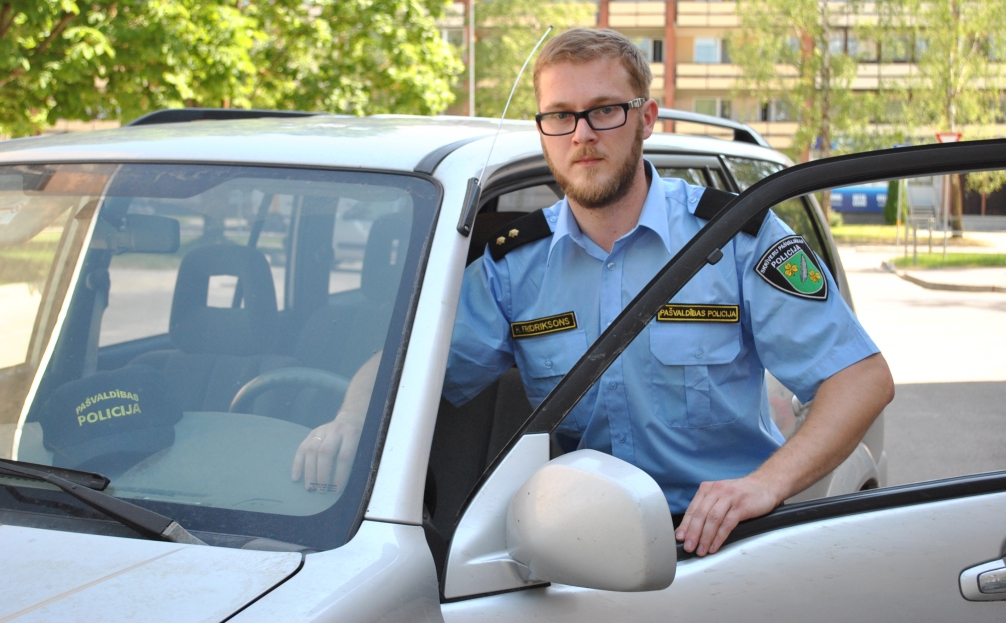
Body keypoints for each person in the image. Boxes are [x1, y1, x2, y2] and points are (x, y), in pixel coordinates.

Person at [293, 28, 894, 558]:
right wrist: (349, 419)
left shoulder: (737, 236)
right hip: (582, 549)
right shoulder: (513, 266)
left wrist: (764, 485)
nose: (581, 134)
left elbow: (861, 379)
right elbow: (414, 365)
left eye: (604, 110)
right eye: (560, 115)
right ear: (544, 128)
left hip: (727, 544)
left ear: (647, 117)